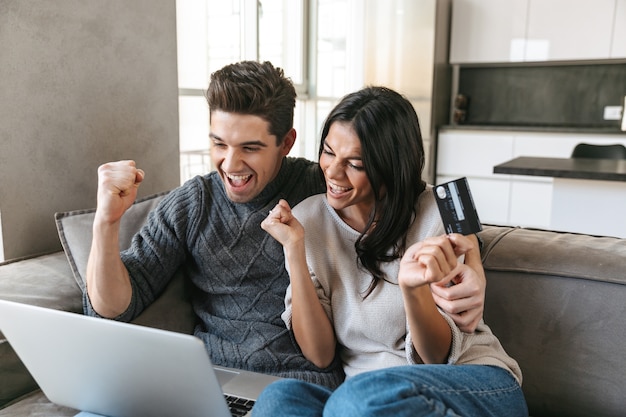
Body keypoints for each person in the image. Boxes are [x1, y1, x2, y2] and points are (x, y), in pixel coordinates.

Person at [85, 61, 486, 389]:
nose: (231, 164)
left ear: (287, 142)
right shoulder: (191, 205)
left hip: (302, 382)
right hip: (210, 380)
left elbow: (411, 192)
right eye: (219, 144)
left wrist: (473, 262)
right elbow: (114, 307)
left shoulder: (327, 186)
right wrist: (106, 221)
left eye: (250, 148)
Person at [255, 86, 527, 416]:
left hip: (469, 383)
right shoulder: (308, 218)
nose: (333, 172)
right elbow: (320, 355)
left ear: (390, 167)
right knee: (279, 400)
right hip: (367, 403)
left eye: (354, 163)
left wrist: (414, 289)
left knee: (357, 398)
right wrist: (294, 252)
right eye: (328, 153)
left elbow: (436, 357)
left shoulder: (438, 214)